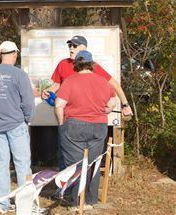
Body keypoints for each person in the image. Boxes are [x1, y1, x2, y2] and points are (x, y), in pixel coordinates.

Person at [42, 35, 132, 170]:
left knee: (87, 162)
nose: (71, 48)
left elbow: (114, 85)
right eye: (69, 45)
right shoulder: (63, 64)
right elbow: (56, 85)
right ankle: (66, 189)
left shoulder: (91, 66)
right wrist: (47, 91)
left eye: (74, 46)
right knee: (64, 158)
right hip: (68, 119)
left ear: (83, 48)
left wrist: (125, 105)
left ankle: (83, 188)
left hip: (89, 122)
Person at [54, 50, 116, 210]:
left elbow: (59, 105)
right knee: (93, 163)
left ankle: (76, 202)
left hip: (73, 126)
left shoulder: (69, 81)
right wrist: (103, 112)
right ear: (91, 64)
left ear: (76, 64)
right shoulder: (103, 81)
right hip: (98, 126)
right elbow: (111, 104)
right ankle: (90, 200)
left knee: (75, 164)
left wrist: (62, 124)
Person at [0, 41, 35, 214]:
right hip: (16, 124)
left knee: (1, 165)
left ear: (0, 55)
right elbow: (28, 102)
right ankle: (25, 205)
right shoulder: (19, 74)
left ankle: (2, 205)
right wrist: (27, 119)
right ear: (15, 54)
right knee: (22, 165)